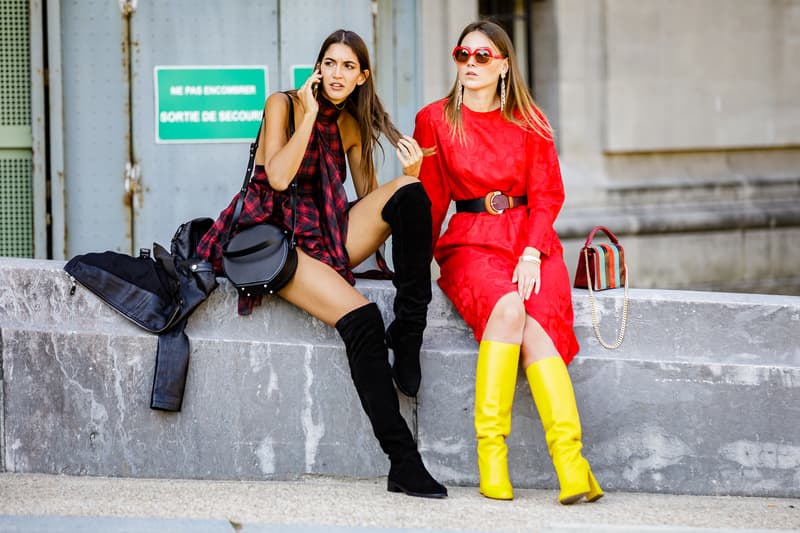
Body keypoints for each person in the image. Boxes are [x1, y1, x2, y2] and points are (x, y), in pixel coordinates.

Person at [197, 29, 446, 498]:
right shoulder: (284, 105)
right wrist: (309, 115)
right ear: (317, 68)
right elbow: (277, 176)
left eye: (348, 66)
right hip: (277, 238)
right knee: (364, 320)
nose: (337, 73)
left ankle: (409, 332)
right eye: (330, 63)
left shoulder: (352, 124)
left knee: (412, 195)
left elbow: (374, 202)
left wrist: (409, 175)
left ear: (362, 76)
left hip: (326, 232)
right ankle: (403, 462)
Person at [413, 20, 602, 504]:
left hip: (531, 241)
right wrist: (409, 262)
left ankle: (571, 464)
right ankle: (490, 456)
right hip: (470, 242)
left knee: (537, 328)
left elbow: (548, 194)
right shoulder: (435, 119)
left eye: (482, 56)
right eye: (463, 54)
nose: (471, 64)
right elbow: (432, 200)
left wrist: (533, 252)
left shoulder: (529, 120)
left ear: (503, 66)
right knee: (508, 310)